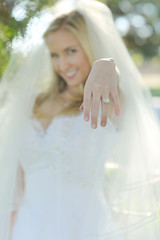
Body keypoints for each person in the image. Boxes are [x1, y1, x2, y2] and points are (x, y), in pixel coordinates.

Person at [0, 0, 160, 239]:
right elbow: (16, 184)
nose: (62, 64)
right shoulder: (31, 104)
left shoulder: (109, 102)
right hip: (26, 229)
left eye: (71, 51)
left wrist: (107, 66)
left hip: (87, 229)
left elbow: (128, 93)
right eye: (55, 55)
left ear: (90, 46)